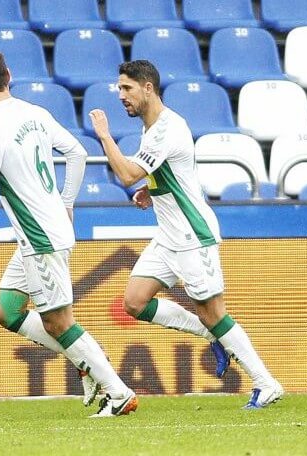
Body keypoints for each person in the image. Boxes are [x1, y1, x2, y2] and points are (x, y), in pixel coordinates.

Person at [0, 49, 137, 417]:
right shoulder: (35, 113)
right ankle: (85, 354)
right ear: (8, 74)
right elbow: (77, 154)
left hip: (40, 238)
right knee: (6, 311)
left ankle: (117, 392)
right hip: (41, 233)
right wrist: (68, 202)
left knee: (58, 322)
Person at [88, 59, 283, 409]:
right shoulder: (152, 129)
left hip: (193, 236)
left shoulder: (166, 128)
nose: (121, 96)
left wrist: (104, 136)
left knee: (214, 312)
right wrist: (153, 189)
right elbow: (169, 171)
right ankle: (215, 336)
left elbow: (128, 173)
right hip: (168, 235)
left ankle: (266, 383)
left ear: (148, 88)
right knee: (134, 301)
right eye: (119, 89)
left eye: (127, 88)